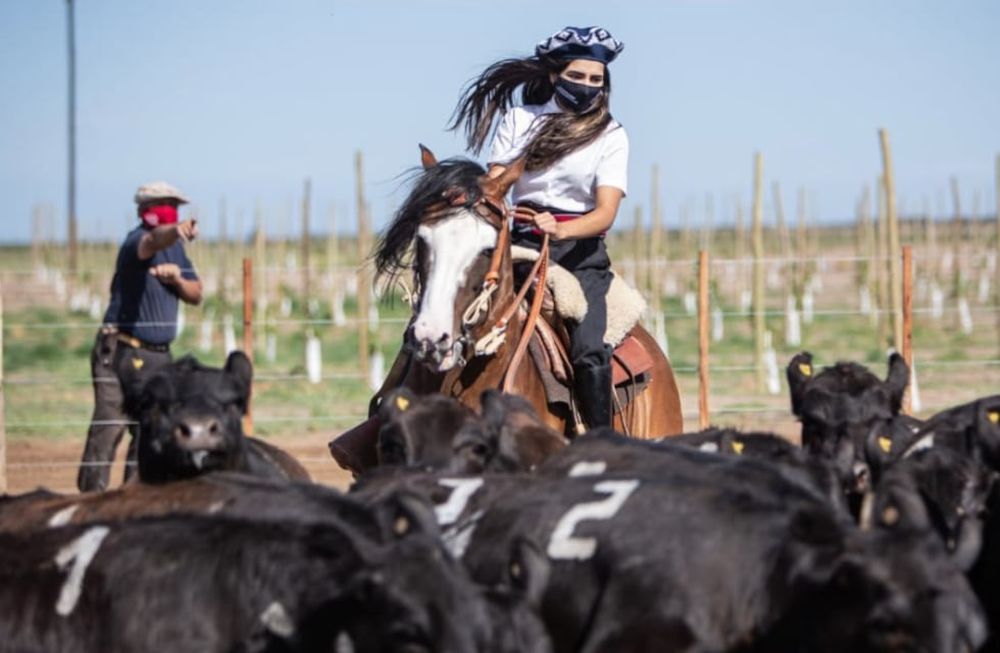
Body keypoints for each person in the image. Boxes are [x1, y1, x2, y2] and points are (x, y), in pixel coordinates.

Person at [450, 26, 628, 429]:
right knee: (449, 313)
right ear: (554, 76)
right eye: (577, 76)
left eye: (595, 80)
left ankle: (601, 443)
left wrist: (561, 230)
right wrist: (468, 194)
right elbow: (497, 181)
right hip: (518, 244)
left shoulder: (611, 135)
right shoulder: (520, 119)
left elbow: (605, 213)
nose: (586, 86)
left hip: (579, 255)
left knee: (589, 349)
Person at [77, 181, 203, 492]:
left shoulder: (176, 251)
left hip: (158, 354)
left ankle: (133, 496)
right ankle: (91, 500)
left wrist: (176, 279)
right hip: (120, 350)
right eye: (164, 205)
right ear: (145, 210)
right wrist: (174, 231)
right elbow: (153, 239)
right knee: (111, 423)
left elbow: (196, 293)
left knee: (150, 427)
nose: (171, 212)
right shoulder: (138, 241)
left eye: (175, 205)